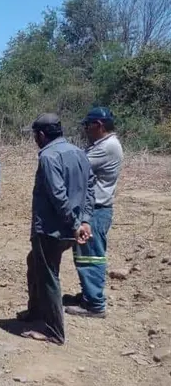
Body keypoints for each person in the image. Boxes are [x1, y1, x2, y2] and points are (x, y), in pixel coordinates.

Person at [19, 113, 94, 344]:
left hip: (51, 229)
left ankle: (54, 331)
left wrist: (75, 224)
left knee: (48, 276)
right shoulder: (79, 153)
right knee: (34, 263)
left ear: (41, 135)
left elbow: (57, 195)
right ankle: (35, 311)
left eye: (35, 135)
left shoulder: (48, 156)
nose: (34, 139)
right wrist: (84, 220)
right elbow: (90, 188)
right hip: (70, 227)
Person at [65, 107, 123, 318]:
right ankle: (88, 295)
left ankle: (95, 304)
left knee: (91, 256)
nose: (86, 129)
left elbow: (77, 164)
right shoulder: (102, 144)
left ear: (98, 125)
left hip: (96, 210)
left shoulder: (107, 147)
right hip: (94, 209)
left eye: (88, 125)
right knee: (85, 255)